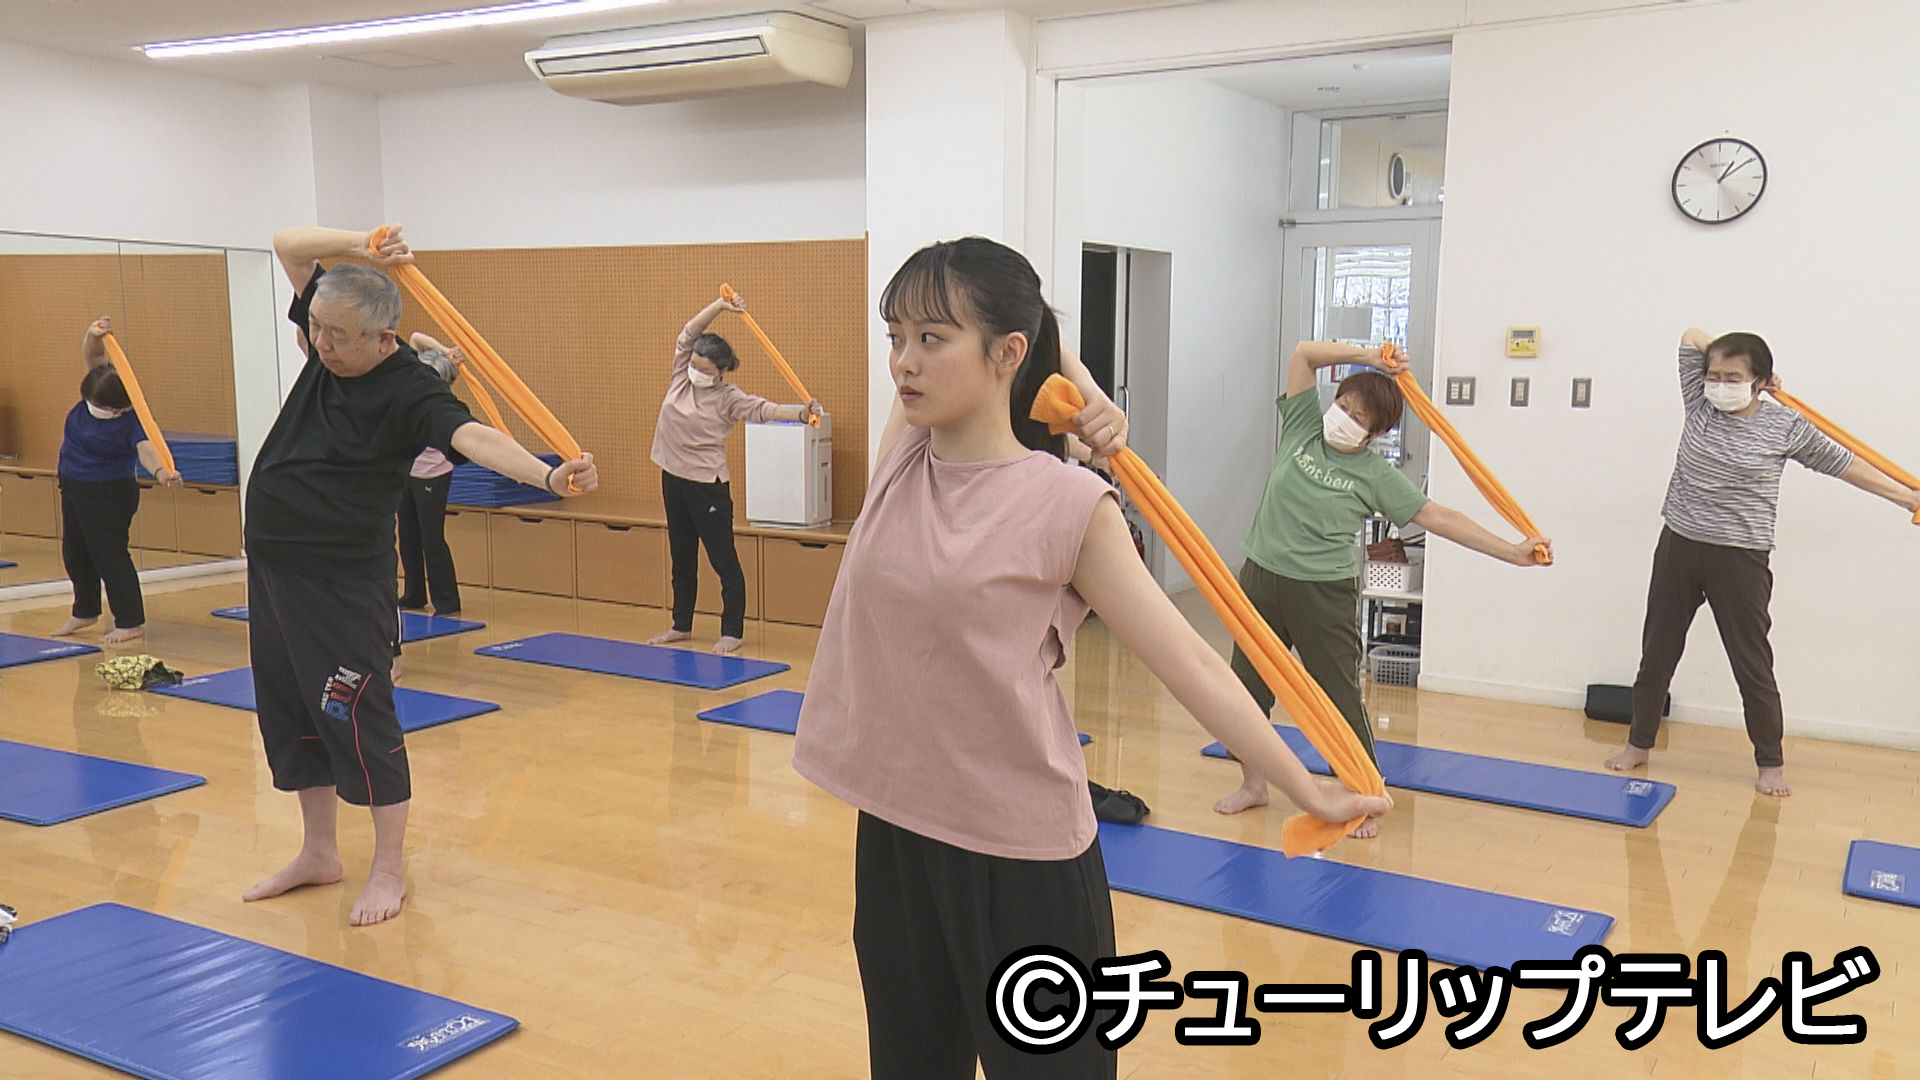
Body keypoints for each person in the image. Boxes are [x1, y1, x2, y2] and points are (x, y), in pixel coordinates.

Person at [790, 237, 1391, 1078]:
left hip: (1021, 857)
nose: (904, 362)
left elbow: (1189, 661)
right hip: (896, 836)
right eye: (896, 338)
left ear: (1006, 353)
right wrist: (1073, 376)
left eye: (931, 339)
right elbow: (1014, 322)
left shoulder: (1067, 501)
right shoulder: (901, 464)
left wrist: (1304, 784)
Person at [242, 224, 597, 927]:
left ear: (383, 339)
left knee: (355, 711)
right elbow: (287, 244)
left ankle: (388, 869)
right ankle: (319, 852)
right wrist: (361, 243)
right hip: (276, 564)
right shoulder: (329, 344)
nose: (320, 344)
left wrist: (548, 474)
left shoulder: (410, 390)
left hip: (343, 580)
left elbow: (475, 438)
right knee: (291, 710)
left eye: (337, 335)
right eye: (317, 327)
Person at [1213, 341, 1552, 834]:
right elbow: (1304, 354)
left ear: (1374, 434)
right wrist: (1370, 357)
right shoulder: (1304, 428)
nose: (1343, 418)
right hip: (1261, 577)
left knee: (1339, 699)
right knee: (1245, 689)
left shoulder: (1375, 475)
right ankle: (1254, 784)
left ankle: (1365, 796)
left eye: (1358, 417)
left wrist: (1512, 550)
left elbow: (1440, 517)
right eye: (1342, 406)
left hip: (1322, 592)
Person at [1605, 328, 1920, 796]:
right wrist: (1722, 357)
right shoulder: (1699, 404)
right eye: (1714, 375)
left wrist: (1906, 497)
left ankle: (1770, 764)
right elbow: (1691, 335)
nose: (1719, 385)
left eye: (1733, 378)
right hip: (1678, 547)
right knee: (1657, 653)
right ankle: (1638, 745)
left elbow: (1845, 465)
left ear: (1759, 382)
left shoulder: (1784, 426)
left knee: (1752, 664)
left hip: (1740, 559)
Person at [648, 291, 821, 655]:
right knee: (681, 556)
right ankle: (680, 624)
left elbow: (763, 410)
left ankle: (732, 631)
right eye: (694, 364)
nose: (696, 372)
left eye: (705, 370)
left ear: (721, 373)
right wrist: (720, 306)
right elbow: (688, 332)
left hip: (707, 488)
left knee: (722, 559)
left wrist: (801, 414)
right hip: (673, 479)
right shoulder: (680, 377)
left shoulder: (728, 397)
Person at [52, 316, 182, 644]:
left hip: (108, 494)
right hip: (74, 486)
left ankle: (129, 621)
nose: (92, 405)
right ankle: (85, 610)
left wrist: (163, 473)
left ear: (115, 408)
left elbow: (147, 451)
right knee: (75, 552)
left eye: (99, 404)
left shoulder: (129, 421)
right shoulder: (99, 388)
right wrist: (92, 334)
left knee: (109, 555)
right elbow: (94, 357)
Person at [395, 332, 465, 618]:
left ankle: (447, 601)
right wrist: (446, 349)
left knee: (432, 538)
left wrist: (448, 361)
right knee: (407, 534)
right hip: (408, 472)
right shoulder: (415, 388)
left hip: (433, 476)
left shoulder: (441, 403)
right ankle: (414, 595)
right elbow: (415, 338)